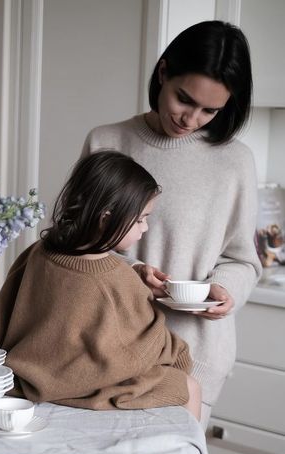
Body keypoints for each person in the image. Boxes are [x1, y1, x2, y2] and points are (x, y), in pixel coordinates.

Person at [82, 20, 262, 430]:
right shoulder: (106, 143)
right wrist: (132, 272)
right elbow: (75, 243)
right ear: (163, 73)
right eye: (185, 99)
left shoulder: (235, 162)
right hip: (105, 350)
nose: (191, 118)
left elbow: (243, 260)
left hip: (194, 355)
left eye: (210, 110)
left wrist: (225, 290)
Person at [0, 150, 201, 420]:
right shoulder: (117, 278)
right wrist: (182, 358)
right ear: (106, 218)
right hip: (95, 388)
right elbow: (149, 346)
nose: (145, 228)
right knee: (189, 387)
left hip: (28, 378)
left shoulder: (36, 253)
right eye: (140, 219)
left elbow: (4, 313)